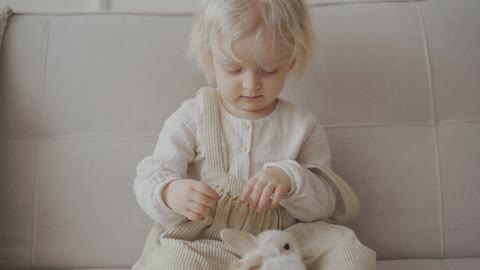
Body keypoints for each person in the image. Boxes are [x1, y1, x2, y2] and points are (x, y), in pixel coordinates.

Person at [132, 0, 376, 269]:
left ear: (291, 60)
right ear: (210, 58)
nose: (251, 84)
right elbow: (150, 174)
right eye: (234, 69)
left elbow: (324, 204)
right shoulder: (194, 116)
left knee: (350, 253)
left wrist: (289, 178)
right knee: (175, 263)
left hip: (284, 241)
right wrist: (170, 192)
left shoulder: (302, 125)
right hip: (205, 242)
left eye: (268, 70)